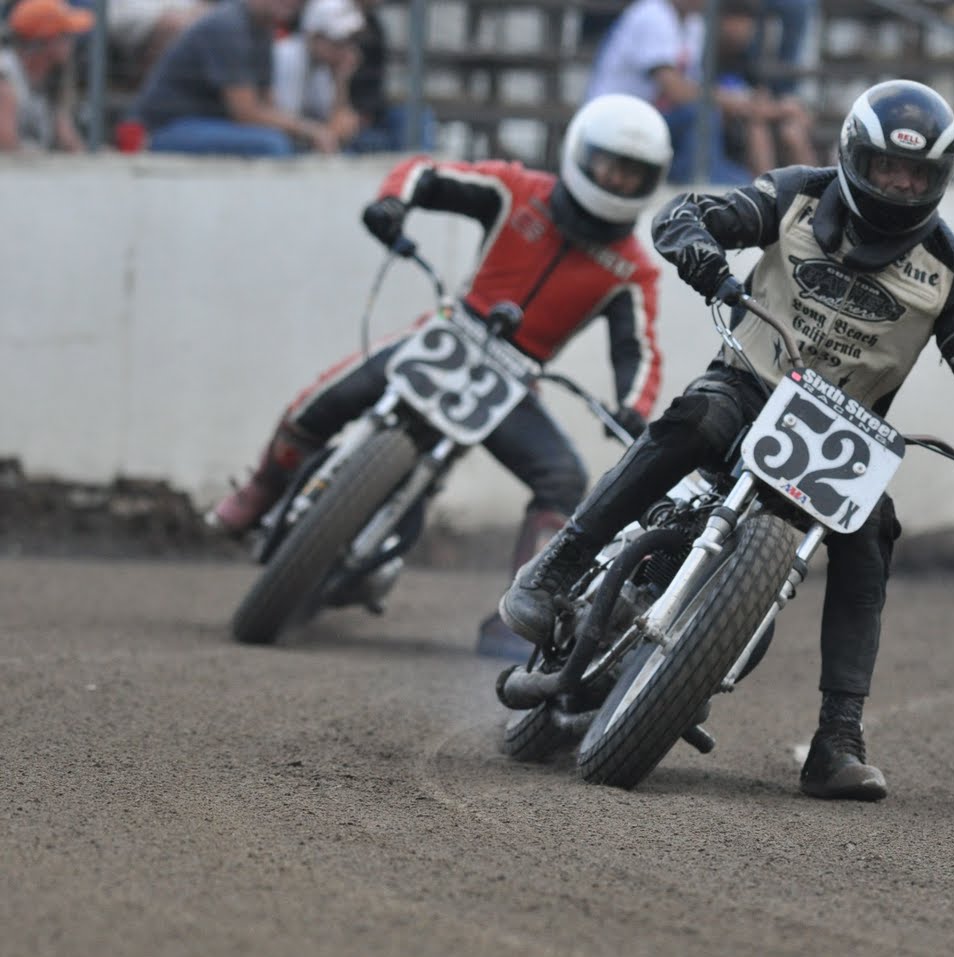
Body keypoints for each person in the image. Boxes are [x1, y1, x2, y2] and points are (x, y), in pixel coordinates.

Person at [498, 80, 954, 802]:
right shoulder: (795, 195)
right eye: (887, 169)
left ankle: (838, 736)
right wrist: (697, 249)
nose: (901, 186)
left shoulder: (948, 268)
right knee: (698, 416)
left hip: (846, 432)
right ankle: (559, 566)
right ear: (855, 158)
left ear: (937, 179)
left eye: (917, 175)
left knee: (872, 531)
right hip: (753, 379)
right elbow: (692, 213)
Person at [206, 95, 674, 660]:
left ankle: (520, 611)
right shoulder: (516, 188)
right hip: (451, 332)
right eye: (609, 165)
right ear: (580, 153)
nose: (617, 180)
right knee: (324, 397)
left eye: (633, 173)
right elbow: (426, 172)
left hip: (515, 378)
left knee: (563, 480)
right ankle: (261, 490)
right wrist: (392, 206)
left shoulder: (632, 268)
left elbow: (639, 347)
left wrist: (632, 404)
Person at [133, 0, 343, 156]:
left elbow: (268, 105)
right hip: (167, 129)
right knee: (271, 145)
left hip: (210, 124)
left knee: (292, 144)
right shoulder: (229, 25)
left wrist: (312, 132)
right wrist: (310, 130)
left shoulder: (263, 29)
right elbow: (246, 112)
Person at [586, 0, 751, 185]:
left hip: (654, 120)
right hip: (614, 121)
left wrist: (737, 102)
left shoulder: (694, 23)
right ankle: (697, 182)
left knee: (740, 174)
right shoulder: (652, 14)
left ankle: (709, 177)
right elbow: (676, 90)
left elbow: (693, 86)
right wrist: (728, 100)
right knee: (700, 112)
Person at [714, 0, 815, 174]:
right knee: (757, 128)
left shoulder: (747, 57)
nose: (739, 29)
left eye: (745, 22)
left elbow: (760, 95)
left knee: (792, 130)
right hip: (724, 120)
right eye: (734, 21)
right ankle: (766, 193)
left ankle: (817, 189)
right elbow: (721, 98)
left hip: (751, 112)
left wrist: (783, 108)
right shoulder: (712, 54)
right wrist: (778, 109)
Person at [0, 0, 94, 152]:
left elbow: (70, 143)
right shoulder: (5, 79)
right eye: (65, 35)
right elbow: (7, 149)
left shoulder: (49, 78)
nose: (71, 42)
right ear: (48, 40)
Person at [343, 0, 434, 153]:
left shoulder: (375, 25)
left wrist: (368, 112)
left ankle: (419, 169)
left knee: (419, 117)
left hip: (373, 114)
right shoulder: (337, 25)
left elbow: (375, 82)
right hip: (348, 117)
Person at [271, 0, 364, 150]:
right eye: (339, 42)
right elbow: (282, 118)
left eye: (351, 41)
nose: (346, 49)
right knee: (277, 144)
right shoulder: (288, 56)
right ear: (313, 36)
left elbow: (336, 119)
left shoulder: (324, 66)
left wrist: (341, 80)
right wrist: (317, 131)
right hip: (265, 130)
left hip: (298, 131)